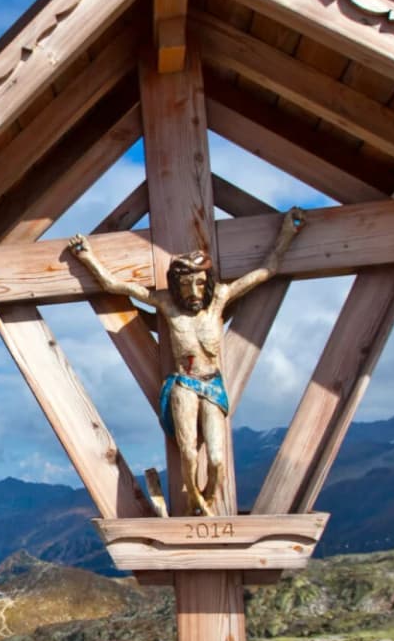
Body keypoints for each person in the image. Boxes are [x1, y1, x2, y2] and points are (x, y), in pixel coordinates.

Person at [65, 208, 304, 516]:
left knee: (216, 458)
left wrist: (287, 234)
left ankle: (206, 497)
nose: (192, 291)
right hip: (183, 384)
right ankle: (195, 501)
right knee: (188, 453)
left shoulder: (218, 299)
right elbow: (118, 286)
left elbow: (266, 270)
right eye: (186, 284)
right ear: (176, 285)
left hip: (212, 383)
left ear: (207, 282)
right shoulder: (167, 305)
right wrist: (88, 258)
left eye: (198, 283)